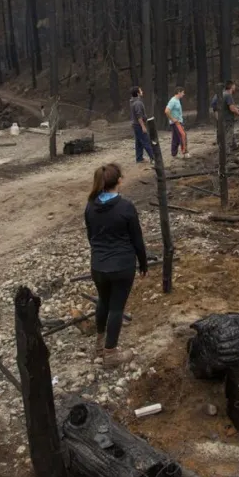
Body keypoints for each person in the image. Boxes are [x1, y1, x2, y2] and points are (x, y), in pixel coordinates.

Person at [84, 163, 148, 368]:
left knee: (103, 300)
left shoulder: (90, 205)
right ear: (119, 180)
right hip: (122, 266)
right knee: (116, 308)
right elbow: (137, 239)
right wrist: (143, 263)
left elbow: (90, 236)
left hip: (98, 265)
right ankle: (110, 354)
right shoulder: (126, 207)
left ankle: (99, 345)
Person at [220, 80, 239, 152]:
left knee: (229, 133)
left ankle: (234, 146)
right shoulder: (228, 95)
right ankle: (226, 152)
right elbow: (232, 109)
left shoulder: (223, 94)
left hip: (223, 118)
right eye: (234, 86)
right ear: (232, 86)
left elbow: (231, 107)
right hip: (228, 119)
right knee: (228, 135)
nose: (235, 87)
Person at [129, 87, 155, 166]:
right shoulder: (138, 103)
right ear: (137, 93)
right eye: (140, 90)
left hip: (136, 125)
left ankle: (139, 158)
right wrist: (143, 126)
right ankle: (153, 158)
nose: (142, 91)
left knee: (139, 142)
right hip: (139, 125)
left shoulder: (133, 101)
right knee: (146, 141)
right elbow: (139, 116)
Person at [165, 87, 190, 159]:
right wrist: (173, 119)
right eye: (183, 92)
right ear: (179, 92)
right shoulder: (173, 101)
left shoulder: (177, 100)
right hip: (176, 123)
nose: (183, 94)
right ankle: (185, 152)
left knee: (175, 138)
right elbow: (167, 111)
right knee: (183, 135)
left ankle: (174, 153)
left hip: (177, 122)